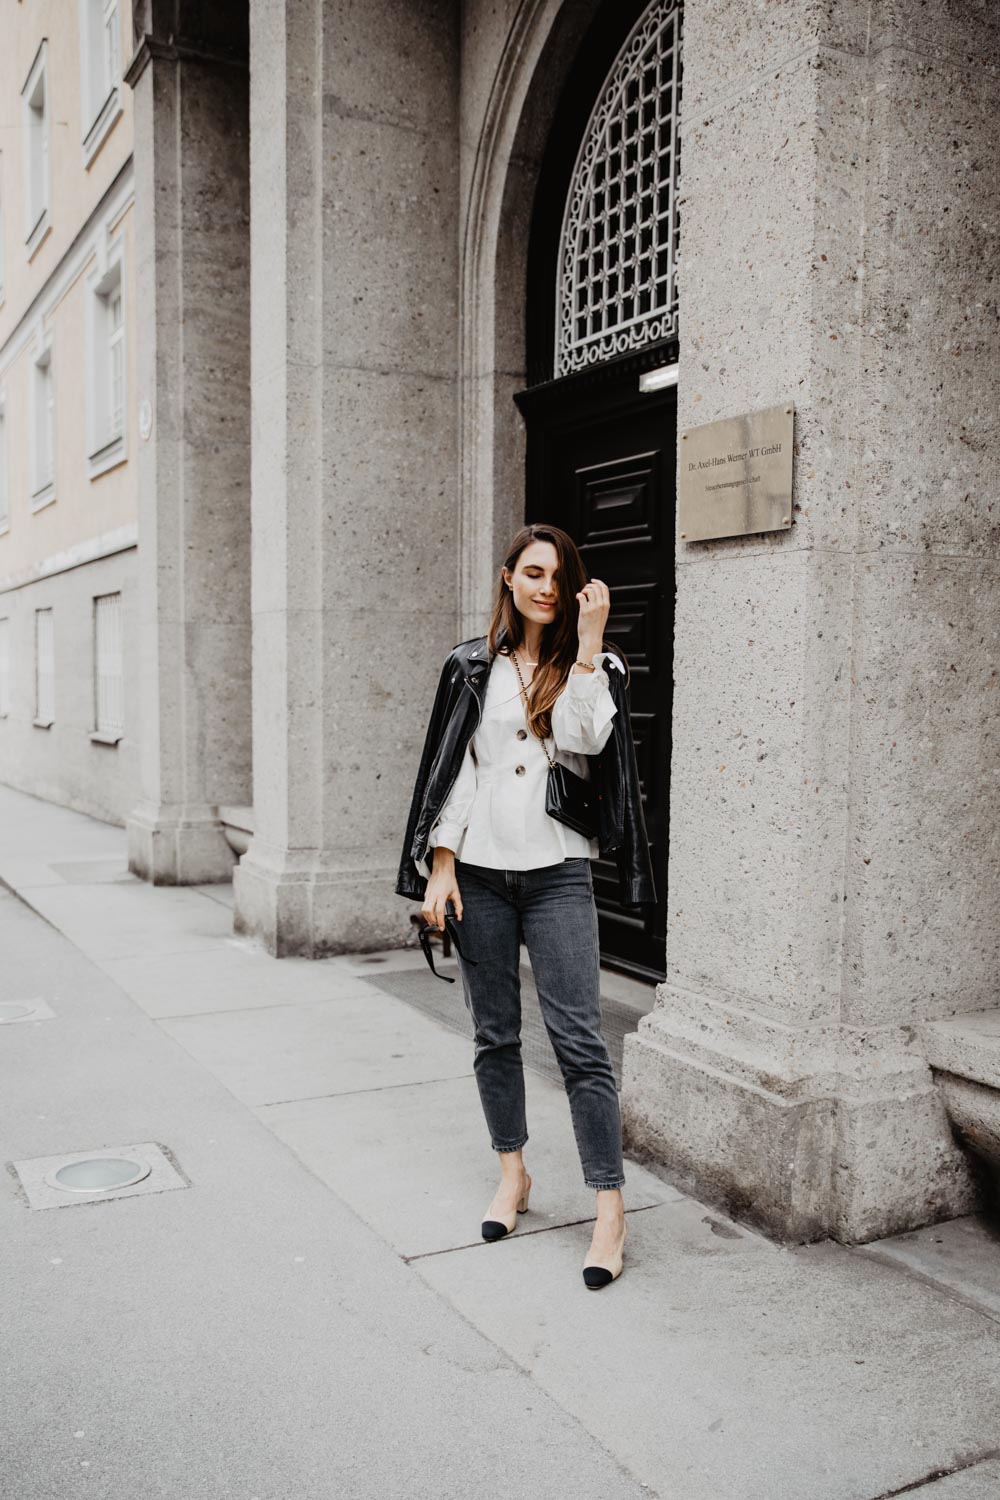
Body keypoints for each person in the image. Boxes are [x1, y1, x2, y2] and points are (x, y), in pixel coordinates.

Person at [395, 523, 656, 1289]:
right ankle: (513, 1174)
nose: (545, 585)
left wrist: (590, 639)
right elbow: (457, 772)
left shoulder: (594, 666)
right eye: (532, 572)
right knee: (493, 1035)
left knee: (580, 1044)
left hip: (557, 876)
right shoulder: (470, 666)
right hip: (477, 874)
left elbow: (583, 736)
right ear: (507, 578)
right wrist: (441, 867)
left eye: (558, 575)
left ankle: (609, 1210)